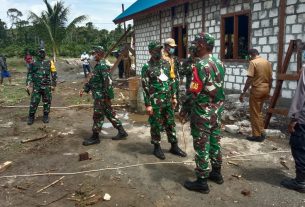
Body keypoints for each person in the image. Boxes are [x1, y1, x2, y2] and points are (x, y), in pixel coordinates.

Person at [180, 33, 225, 194]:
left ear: (203, 45)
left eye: (197, 44)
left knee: (201, 144)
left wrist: (184, 110)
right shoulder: (219, 62)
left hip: (203, 112)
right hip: (216, 111)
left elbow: (194, 91)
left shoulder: (200, 65)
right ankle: (217, 173)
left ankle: (202, 181)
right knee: (215, 142)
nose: (195, 47)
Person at [141, 41, 187, 160]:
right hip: (155, 102)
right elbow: (145, 87)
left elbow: (171, 81)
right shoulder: (147, 67)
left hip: (168, 100)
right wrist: (148, 105)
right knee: (156, 124)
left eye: (160, 50)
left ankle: (174, 146)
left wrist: (174, 97)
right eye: (156, 50)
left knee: (170, 123)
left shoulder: (166, 64)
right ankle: (157, 147)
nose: (159, 52)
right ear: (150, 52)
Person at [80, 46, 128, 146]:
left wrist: (107, 96)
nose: (93, 55)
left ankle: (95, 137)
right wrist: (85, 89)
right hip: (100, 96)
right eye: (93, 54)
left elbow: (108, 82)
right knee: (110, 113)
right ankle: (122, 131)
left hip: (101, 96)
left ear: (100, 54)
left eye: (95, 53)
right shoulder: (97, 66)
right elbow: (93, 80)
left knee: (98, 115)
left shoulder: (102, 66)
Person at [281, 66, 305, 193]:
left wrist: (294, 119)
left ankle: (300, 182)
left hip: (303, 120)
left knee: (299, 148)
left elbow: (301, 97)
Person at [239, 49, 272, 142]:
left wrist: (243, 92)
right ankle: (261, 131)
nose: (249, 58)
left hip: (257, 90)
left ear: (251, 55)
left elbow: (249, 79)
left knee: (254, 113)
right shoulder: (267, 62)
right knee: (259, 112)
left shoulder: (253, 62)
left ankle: (257, 135)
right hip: (265, 88)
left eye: (249, 56)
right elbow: (271, 78)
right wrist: (269, 90)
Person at [26, 48, 57, 125]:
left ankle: (46, 116)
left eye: (43, 53)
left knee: (47, 102)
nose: (41, 54)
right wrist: (28, 84)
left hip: (46, 86)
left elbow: (54, 73)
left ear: (45, 54)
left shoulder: (50, 62)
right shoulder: (33, 63)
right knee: (34, 102)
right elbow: (29, 73)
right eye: (40, 53)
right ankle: (31, 116)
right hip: (37, 86)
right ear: (38, 54)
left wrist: (53, 84)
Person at [162, 38, 180, 111]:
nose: (173, 49)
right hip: (165, 84)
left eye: (174, 47)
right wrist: (166, 83)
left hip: (172, 81)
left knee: (174, 101)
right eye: (171, 47)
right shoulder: (161, 57)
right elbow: (159, 73)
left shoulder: (171, 57)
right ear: (166, 46)